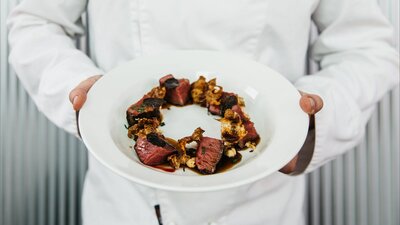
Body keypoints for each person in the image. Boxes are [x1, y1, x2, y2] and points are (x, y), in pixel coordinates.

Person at [7, 0, 399, 224]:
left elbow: (367, 50)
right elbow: (35, 22)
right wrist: (83, 93)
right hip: (127, 202)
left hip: (262, 204)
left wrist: (310, 126)